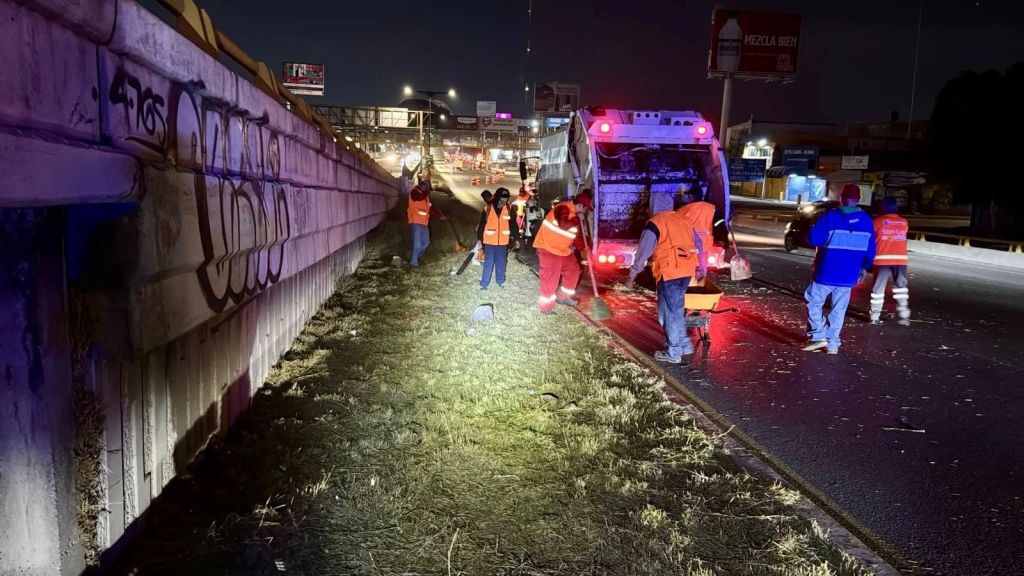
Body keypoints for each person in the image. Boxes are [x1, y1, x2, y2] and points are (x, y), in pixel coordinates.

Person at [625, 207, 706, 363]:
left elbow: (643, 252)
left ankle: (674, 352)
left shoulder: (655, 223)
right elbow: (699, 243)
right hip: (686, 270)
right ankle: (683, 344)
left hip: (670, 272)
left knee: (670, 313)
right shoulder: (684, 220)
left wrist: (632, 276)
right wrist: (700, 268)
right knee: (670, 311)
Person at [802, 184, 876, 354]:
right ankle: (833, 344)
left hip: (826, 270)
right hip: (850, 273)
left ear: (842, 198)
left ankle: (818, 336)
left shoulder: (831, 217)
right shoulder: (866, 221)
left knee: (813, 300)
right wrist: (863, 267)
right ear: (858, 200)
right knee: (839, 308)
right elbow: (871, 251)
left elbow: (815, 239)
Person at [532, 190, 593, 314]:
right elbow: (563, 225)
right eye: (585, 209)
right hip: (548, 249)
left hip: (562, 250)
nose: (585, 212)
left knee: (573, 270)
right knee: (550, 279)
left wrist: (583, 249)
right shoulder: (563, 208)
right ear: (580, 206)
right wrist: (577, 218)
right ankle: (546, 308)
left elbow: (575, 237)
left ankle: (563, 297)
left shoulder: (575, 216)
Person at [870, 197, 910, 325]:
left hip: (882, 260)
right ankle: (904, 313)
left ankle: (874, 316)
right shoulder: (904, 222)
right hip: (900, 260)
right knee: (901, 287)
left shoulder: (877, 222)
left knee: (878, 289)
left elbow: (871, 240)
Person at [476, 188, 519, 289]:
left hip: (503, 243)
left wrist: (517, 239)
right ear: (497, 198)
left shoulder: (509, 209)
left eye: (506, 200)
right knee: (488, 263)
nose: (504, 202)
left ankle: (500, 282)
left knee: (501, 263)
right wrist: (479, 239)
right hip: (489, 242)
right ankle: (484, 284)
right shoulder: (488, 208)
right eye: (502, 200)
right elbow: (482, 225)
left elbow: (513, 225)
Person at [407, 179, 444, 267]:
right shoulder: (414, 192)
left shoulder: (425, 197)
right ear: (423, 186)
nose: (428, 191)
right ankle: (414, 262)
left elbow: (429, 210)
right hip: (415, 221)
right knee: (418, 244)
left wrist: (439, 217)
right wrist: (427, 193)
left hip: (424, 223)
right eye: (427, 188)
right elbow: (418, 198)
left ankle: (415, 258)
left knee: (426, 243)